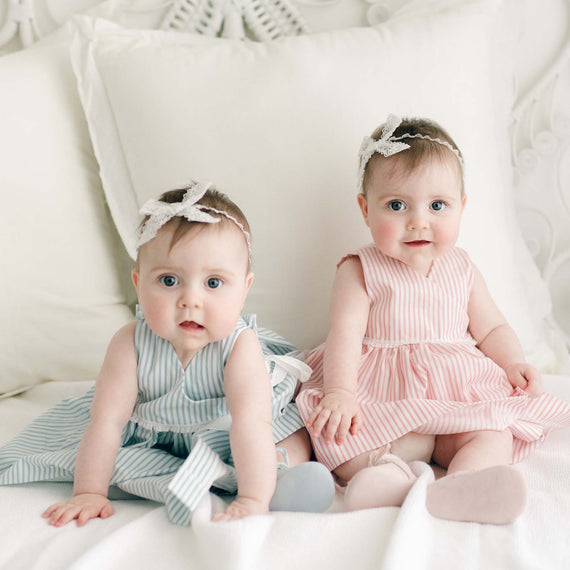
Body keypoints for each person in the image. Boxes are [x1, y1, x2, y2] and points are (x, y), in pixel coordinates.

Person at [0, 182, 334, 526]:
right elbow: (107, 422)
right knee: (113, 462)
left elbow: (252, 423)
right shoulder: (129, 343)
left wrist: (252, 500)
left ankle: (276, 483)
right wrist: (89, 491)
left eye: (214, 283)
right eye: (169, 281)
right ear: (139, 282)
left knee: (292, 434)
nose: (191, 299)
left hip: (238, 431)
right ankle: (174, 480)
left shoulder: (240, 345)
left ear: (244, 289)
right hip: (160, 438)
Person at [295, 114, 570, 524]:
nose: (418, 220)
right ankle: (389, 480)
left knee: (491, 431)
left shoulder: (462, 267)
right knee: (348, 444)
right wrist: (340, 393)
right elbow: (345, 335)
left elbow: (491, 327)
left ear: (462, 207)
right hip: (387, 392)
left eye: (437, 205)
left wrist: (513, 362)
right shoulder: (359, 269)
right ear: (365, 209)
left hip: (457, 390)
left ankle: (467, 483)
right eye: (396, 205)